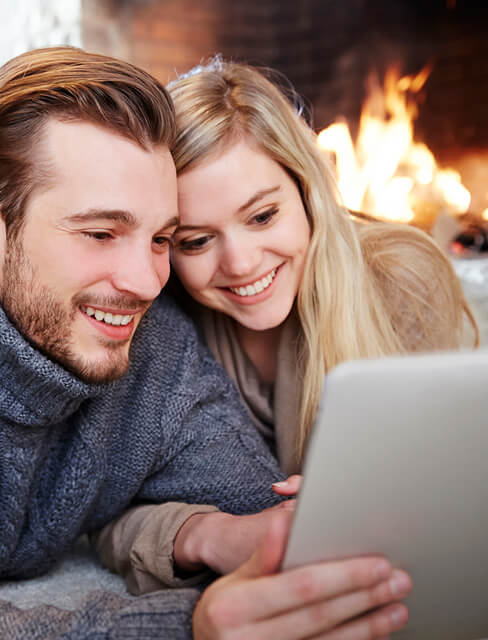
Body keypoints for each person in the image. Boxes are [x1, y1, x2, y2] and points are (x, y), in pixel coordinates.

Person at [0, 47, 412, 640]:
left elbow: (247, 507)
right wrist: (187, 628)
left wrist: (272, 538)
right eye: (100, 232)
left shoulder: (150, 336)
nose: (144, 283)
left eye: (163, 238)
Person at [94, 58, 478, 634]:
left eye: (263, 215)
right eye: (197, 241)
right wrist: (209, 534)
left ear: (307, 189)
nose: (242, 263)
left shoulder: (400, 279)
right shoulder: (161, 326)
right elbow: (103, 515)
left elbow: (461, 473)